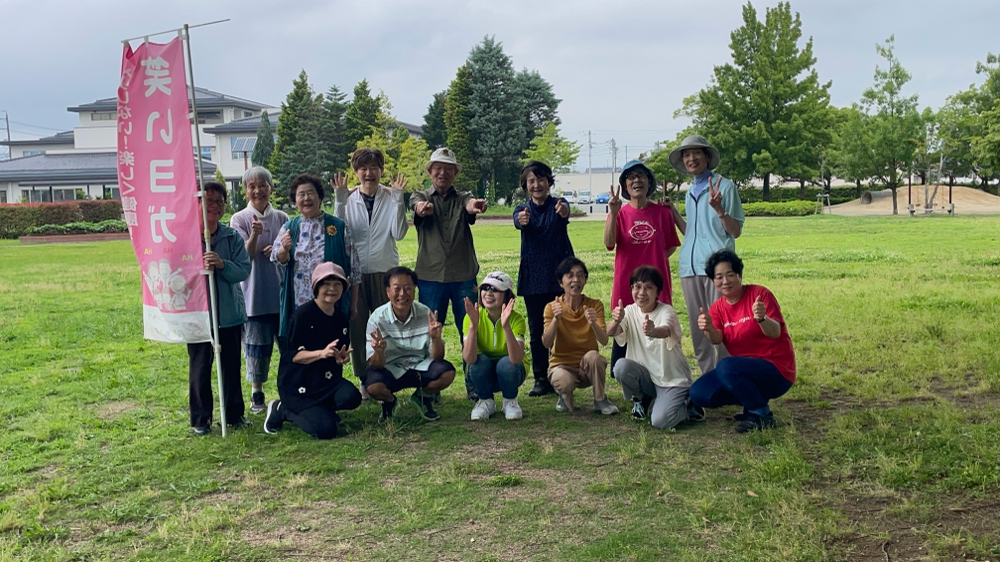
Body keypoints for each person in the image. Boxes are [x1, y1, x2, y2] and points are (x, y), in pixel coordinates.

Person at [408, 147, 488, 400]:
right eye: (437, 169)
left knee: (471, 330)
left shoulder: (463, 196)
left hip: (463, 276)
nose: (442, 173)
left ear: (454, 173)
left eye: (448, 169)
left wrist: (474, 206)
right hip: (430, 278)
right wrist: (421, 209)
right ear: (430, 172)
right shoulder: (420, 195)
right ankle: (431, 387)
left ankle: (474, 385)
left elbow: (469, 204)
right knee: (431, 332)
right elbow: (416, 205)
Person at [688, 250, 796, 433]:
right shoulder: (717, 308)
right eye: (719, 277)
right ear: (713, 281)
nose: (725, 281)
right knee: (699, 392)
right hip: (744, 370)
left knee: (725, 366)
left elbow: (775, 331)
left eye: (730, 274)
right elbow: (716, 339)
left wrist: (762, 318)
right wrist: (707, 328)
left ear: (739, 274)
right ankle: (751, 401)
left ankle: (761, 413)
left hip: (776, 370)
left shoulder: (759, 294)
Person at [331, 148, 409, 396]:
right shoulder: (349, 198)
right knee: (358, 325)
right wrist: (340, 200)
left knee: (386, 324)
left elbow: (398, 233)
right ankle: (364, 378)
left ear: (381, 171)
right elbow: (338, 232)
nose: (368, 173)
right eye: (363, 168)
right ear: (355, 172)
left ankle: (387, 374)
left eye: (373, 167)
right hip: (355, 275)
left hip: (385, 271)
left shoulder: (389, 197)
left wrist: (399, 200)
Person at [263, 262, 362, 439]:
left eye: (337, 284)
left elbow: (338, 351)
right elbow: (292, 356)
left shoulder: (340, 318)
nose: (332, 289)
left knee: (352, 397)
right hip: (298, 384)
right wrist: (321, 354)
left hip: (326, 380)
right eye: (326, 283)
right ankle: (282, 409)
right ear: (316, 286)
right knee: (326, 430)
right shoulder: (302, 316)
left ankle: (320, 410)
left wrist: (339, 358)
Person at [271, 174, 360, 363]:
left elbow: (354, 268)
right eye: (300, 194)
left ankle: (329, 382)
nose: (306, 198)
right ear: (295, 200)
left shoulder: (338, 226)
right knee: (301, 344)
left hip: (331, 300)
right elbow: (278, 260)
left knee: (331, 344)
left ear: (320, 197)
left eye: (310, 193)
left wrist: (353, 302)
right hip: (299, 302)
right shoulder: (289, 227)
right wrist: (284, 249)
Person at [603, 160, 681, 373]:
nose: (636, 180)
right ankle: (622, 370)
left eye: (641, 176)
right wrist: (612, 212)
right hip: (626, 281)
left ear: (649, 182)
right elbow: (609, 243)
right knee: (624, 324)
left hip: (655, 283)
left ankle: (657, 373)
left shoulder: (662, 213)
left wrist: (655, 260)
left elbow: (671, 245)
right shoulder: (619, 213)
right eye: (631, 177)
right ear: (625, 186)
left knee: (656, 323)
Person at [188, 181, 252, 435]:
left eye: (219, 202)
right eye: (208, 201)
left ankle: (234, 414)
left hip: (228, 314)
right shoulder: (187, 238)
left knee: (230, 366)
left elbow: (244, 269)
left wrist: (222, 265)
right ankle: (200, 419)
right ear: (197, 204)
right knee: (200, 366)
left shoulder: (231, 237)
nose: (213, 206)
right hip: (198, 313)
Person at [606, 266, 698, 429]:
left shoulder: (666, 311)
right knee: (620, 367)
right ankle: (641, 398)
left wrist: (653, 330)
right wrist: (616, 320)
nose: (642, 292)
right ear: (631, 288)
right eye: (637, 286)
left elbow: (666, 330)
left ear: (658, 292)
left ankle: (688, 405)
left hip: (671, 379)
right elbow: (610, 332)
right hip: (648, 377)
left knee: (660, 421)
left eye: (648, 287)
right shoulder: (629, 311)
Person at [230, 166, 289, 413]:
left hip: (281, 295)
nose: (257, 190)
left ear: (270, 188)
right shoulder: (240, 219)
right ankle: (257, 394)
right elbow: (243, 256)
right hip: (253, 295)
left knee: (287, 346)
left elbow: (290, 250)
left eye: (262, 185)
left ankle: (289, 390)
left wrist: (277, 250)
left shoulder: (282, 218)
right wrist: (254, 237)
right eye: (251, 186)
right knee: (255, 347)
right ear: (245, 191)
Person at [512, 160, 573, 398]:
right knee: (538, 330)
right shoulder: (522, 209)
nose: (536, 185)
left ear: (549, 182)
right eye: (531, 181)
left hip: (559, 278)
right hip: (533, 279)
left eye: (541, 180)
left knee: (562, 326)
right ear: (525, 185)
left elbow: (565, 211)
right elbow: (517, 220)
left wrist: (564, 212)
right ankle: (540, 377)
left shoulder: (558, 204)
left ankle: (563, 373)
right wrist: (521, 221)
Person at [364, 266, 457, 422]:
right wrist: (379, 351)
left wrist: (435, 338)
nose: (402, 294)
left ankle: (423, 398)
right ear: (388, 291)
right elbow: (376, 364)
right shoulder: (377, 318)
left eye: (408, 288)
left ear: (414, 290)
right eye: (397, 289)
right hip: (391, 368)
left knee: (447, 373)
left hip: (419, 366)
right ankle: (389, 403)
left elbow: (438, 357)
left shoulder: (424, 312)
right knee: (373, 386)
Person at [542, 257, 618, 415]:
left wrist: (593, 323)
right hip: (561, 365)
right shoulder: (551, 307)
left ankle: (600, 399)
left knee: (595, 357)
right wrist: (556, 319)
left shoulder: (594, 305)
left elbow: (603, 340)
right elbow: (546, 342)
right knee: (564, 381)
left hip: (586, 367)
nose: (575, 280)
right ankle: (564, 395)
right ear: (561, 282)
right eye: (570, 275)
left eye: (580, 275)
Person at [462, 271, 527, 421]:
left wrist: (506, 326)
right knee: (479, 362)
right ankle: (485, 401)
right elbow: (469, 358)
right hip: (482, 372)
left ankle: (510, 401)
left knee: (507, 363)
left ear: (506, 295)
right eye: (485, 288)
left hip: (510, 371)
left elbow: (516, 358)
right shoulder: (472, 315)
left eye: (495, 289)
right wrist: (472, 326)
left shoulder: (516, 319)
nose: (488, 293)